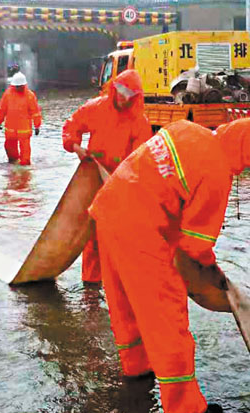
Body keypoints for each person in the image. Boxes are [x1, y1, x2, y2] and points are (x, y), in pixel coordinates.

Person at [89, 118, 250, 413]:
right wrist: (211, 276)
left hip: (109, 207)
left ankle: (136, 366)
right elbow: (194, 246)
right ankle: (184, 409)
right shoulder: (217, 173)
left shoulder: (187, 129)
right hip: (141, 230)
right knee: (166, 317)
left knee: (124, 304)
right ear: (249, 156)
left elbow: (168, 189)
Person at [62, 69, 152, 283]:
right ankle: (91, 284)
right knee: (92, 232)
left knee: (118, 234)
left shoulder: (139, 121)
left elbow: (140, 158)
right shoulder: (97, 108)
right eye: (120, 91)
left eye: (128, 94)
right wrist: (75, 146)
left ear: (135, 96)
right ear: (114, 89)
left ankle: (118, 280)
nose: (122, 97)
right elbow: (72, 125)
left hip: (121, 182)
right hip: (94, 177)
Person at [0, 72, 41, 166]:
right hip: (11, 128)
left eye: (19, 86)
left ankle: (24, 170)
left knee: (25, 151)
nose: (18, 88)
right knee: (10, 149)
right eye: (16, 86)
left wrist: (37, 126)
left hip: (23, 129)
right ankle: (14, 165)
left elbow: (35, 112)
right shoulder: (8, 94)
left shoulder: (30, 96)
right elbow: (2, 109)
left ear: (23, 85)